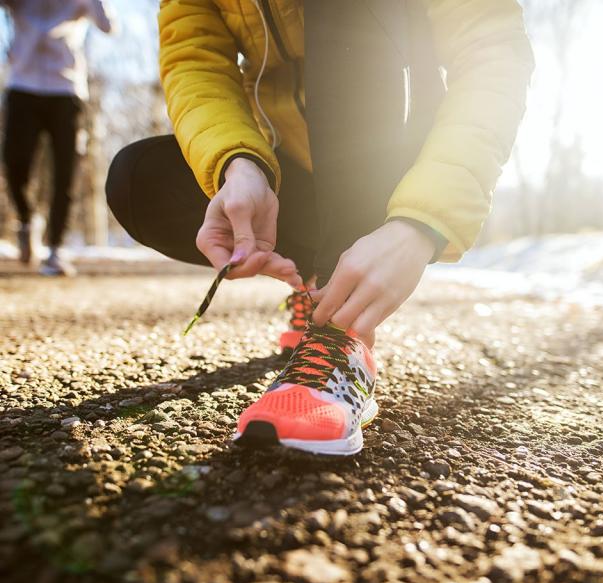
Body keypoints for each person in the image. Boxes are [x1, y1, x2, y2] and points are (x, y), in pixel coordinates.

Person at [106, 0, 534, 456]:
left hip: (394, 157)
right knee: (138, 179)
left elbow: (492, 50)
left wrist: (421, 221)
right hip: (288, 162)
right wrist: (240, 164)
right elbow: (194, 61)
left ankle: (341, 338)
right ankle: (316, 287)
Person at [1, 0, 114, 275]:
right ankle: (27, 221)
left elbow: (108, 27)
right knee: (15, 163)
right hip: (22, 85)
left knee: (66, 170)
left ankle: (56, 249)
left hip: (67, 89)